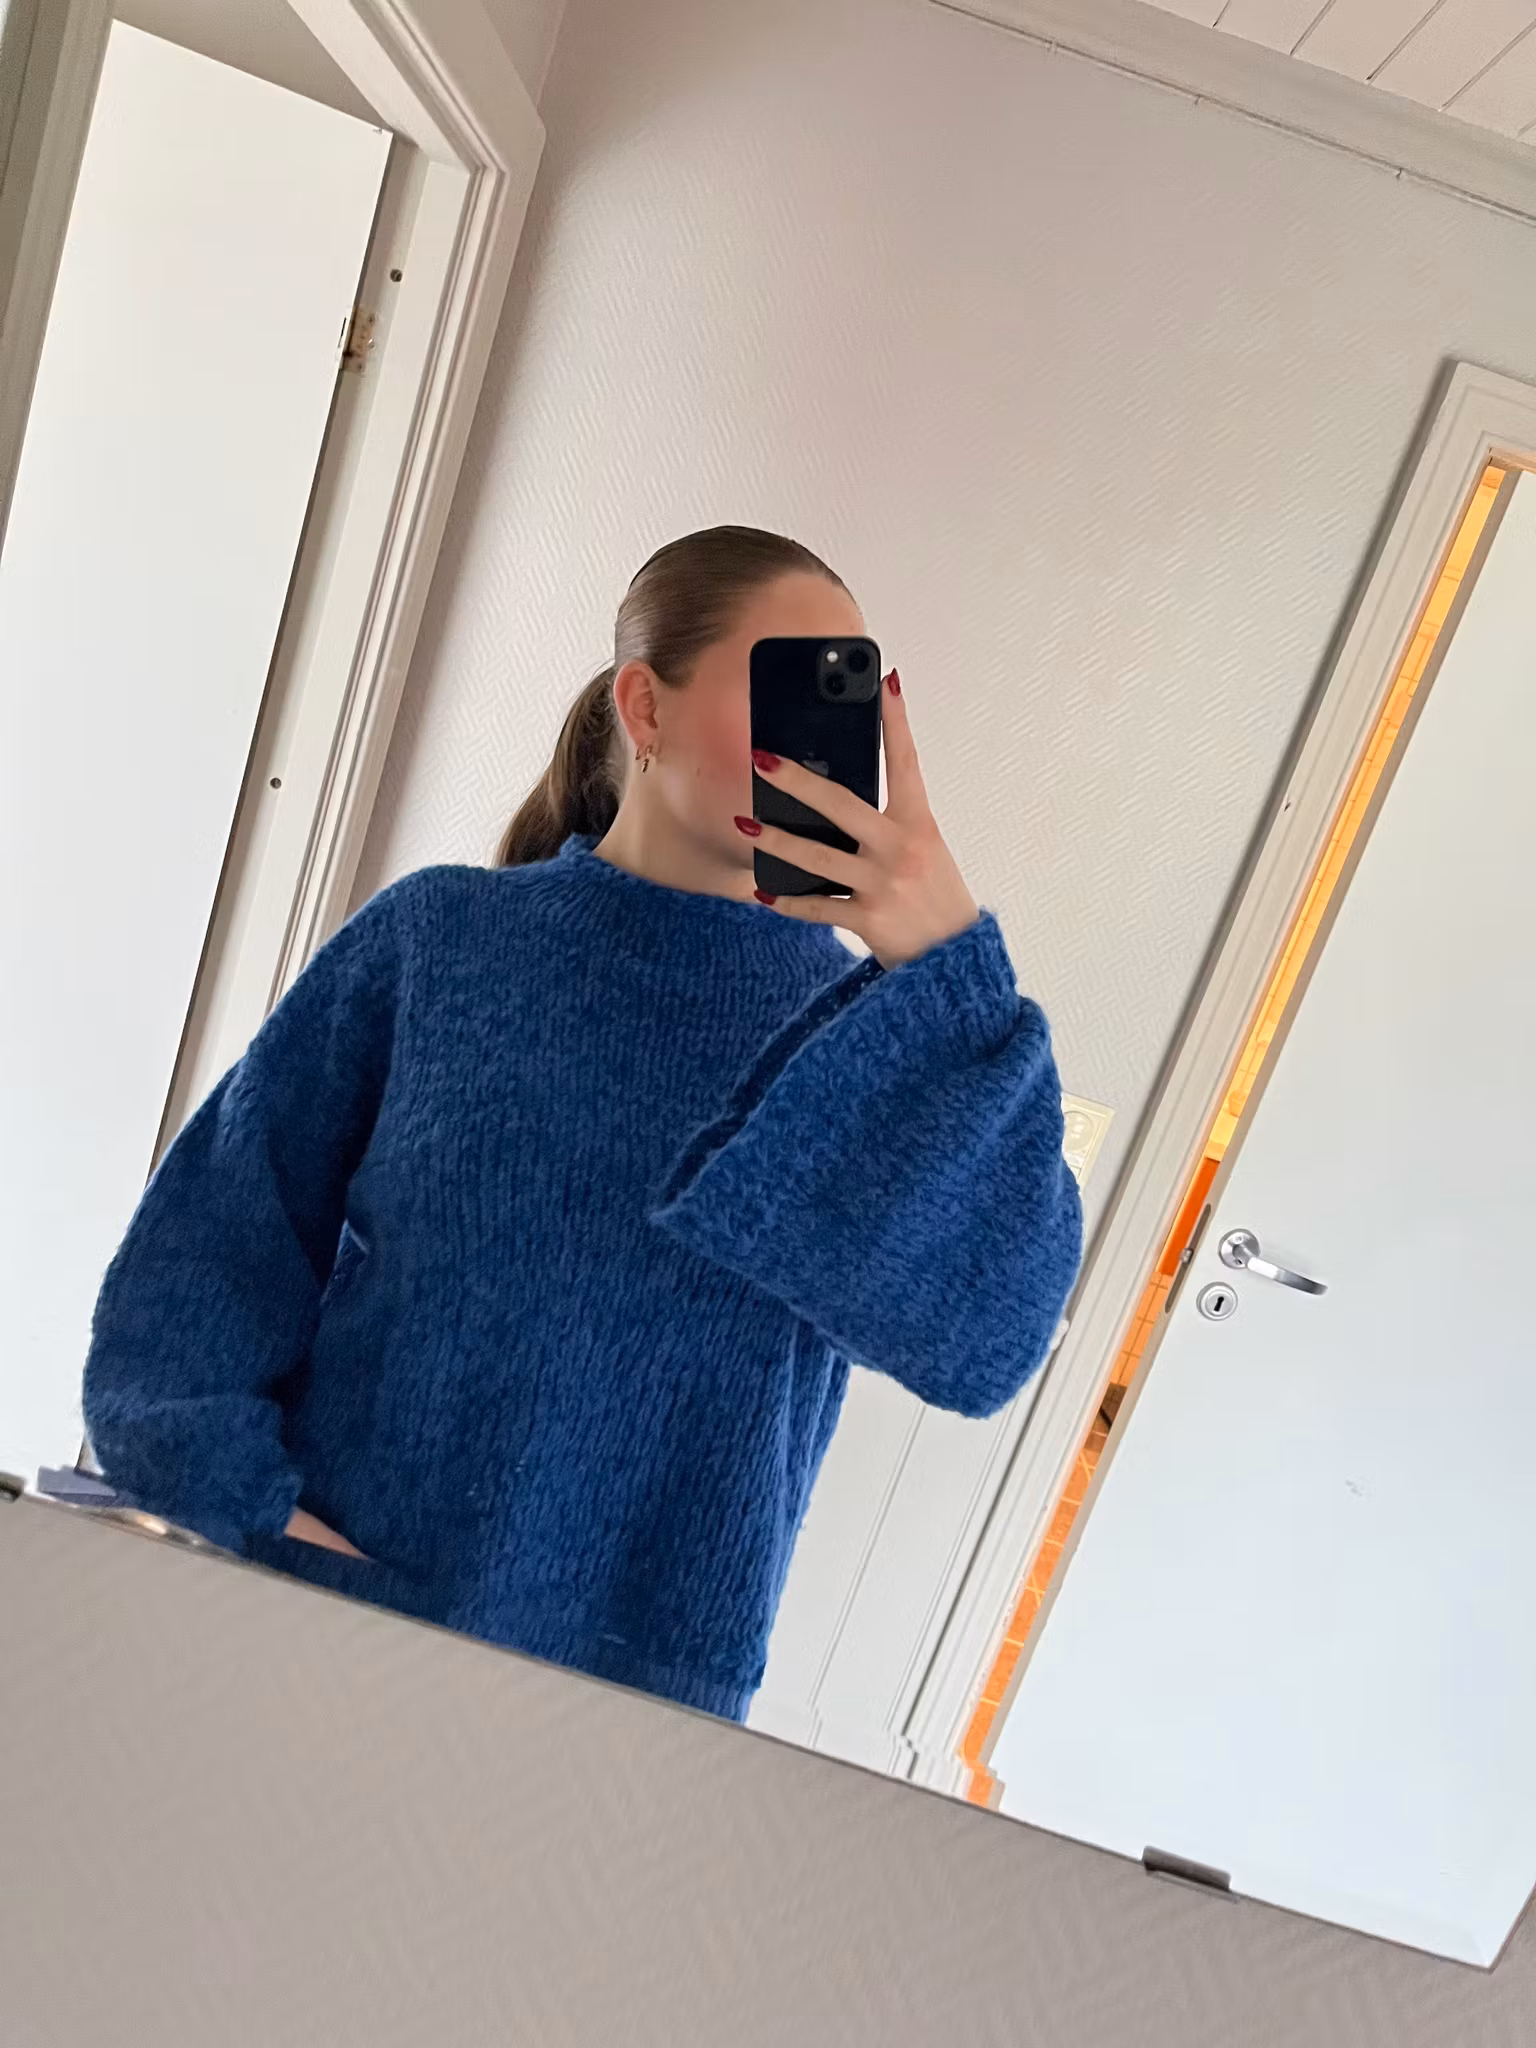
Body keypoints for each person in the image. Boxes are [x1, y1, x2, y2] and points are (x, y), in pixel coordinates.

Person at [81, 525, 1083, 1723]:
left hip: (641, 1714)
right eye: (780, 681)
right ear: (645, 706)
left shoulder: (878, 1036)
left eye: (839, 694)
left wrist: (951, 973)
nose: (815, 734)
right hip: (326, 1627)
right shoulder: (442, 939)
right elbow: (205, 1256)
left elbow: (986, 1344)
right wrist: (257, 1511)